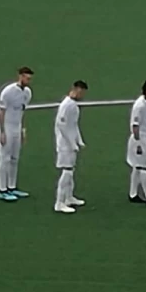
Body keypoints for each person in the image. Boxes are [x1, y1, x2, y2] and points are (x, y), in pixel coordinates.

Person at [0, 67, 34, 202]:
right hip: (6, 126)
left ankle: (12, 186)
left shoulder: (27, 93)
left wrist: (22, 129)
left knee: (14, 158)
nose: (28, 81)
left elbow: (22, 112)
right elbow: (1, 112)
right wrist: (2, 131)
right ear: (20, 76)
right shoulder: (8, 91)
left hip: (16, 127)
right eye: (26, 78)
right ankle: (2, 189)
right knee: (4, 158)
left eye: (30, 79)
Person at [53, 80, 87, 213]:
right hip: (64, 145)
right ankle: (59, 202)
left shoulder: (74, 106)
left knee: (71, 170)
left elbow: (73, 125)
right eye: (81, 92)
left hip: (71, 144)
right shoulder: (66, 105)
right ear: (75, 89)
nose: (82, 95)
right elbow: (61, 125)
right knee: (66, 171)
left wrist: (79, 140)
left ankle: (69, 197)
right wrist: (71, 143)